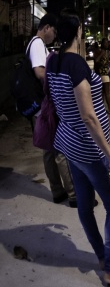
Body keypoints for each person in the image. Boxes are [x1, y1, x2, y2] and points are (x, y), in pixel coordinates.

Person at [46, 10, 110, 287]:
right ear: (78, 32)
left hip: (70, 144)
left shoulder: (54, 61)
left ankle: (103, 256)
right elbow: (88, 116)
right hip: (88, 149)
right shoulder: (75, 64)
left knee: (85, 205)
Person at [28, 13, 76, 206]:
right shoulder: (37, 43)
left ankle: (57, 191)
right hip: (44, 106)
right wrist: (56, 84)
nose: (55, 36)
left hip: (39, 107)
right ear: (46, 27)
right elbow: (40, 73)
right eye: (54, 32)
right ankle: (74, 194)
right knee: (60, 148)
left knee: (49, 150)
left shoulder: (35, 44)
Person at [93, 39, 110, 115]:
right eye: (105, 43)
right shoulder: (102, 51)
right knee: (107, 93)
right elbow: (97, 60)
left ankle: (101, 110)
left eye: (107, 43)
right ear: (102, 44)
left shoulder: (105, 51)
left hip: (104, 74)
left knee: (103, 93)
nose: (107, 44)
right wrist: (102, 55)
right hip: (103, 74)